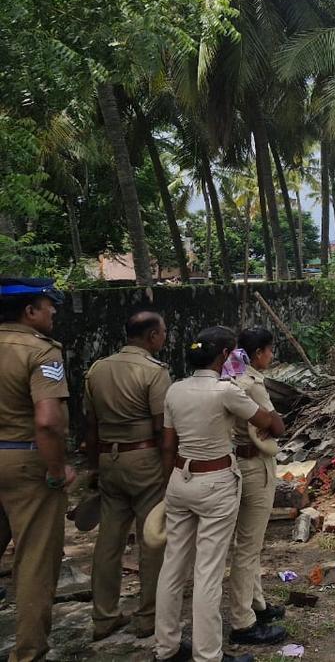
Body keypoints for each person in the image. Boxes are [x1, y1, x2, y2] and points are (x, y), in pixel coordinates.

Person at [154, 326, 283, 662]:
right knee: (208, 571)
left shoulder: (175, 390)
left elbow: (168, 445)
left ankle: (165, 648)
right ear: (227, 355)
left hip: (179, 480)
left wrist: (169, 487)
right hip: (216, 481)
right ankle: (208, 654)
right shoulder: (225, 391)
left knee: (173, 567)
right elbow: (270, 423)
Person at [85, 310, 171, 641]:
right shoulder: (153, 372)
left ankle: (103, 617)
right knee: (151, 538)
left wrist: (94, 467)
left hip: (109, 459)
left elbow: (90, 426)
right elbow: (163, 429)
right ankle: (148, 616)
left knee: (109, 539)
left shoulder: (98, 370)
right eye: (163, 332)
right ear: (151, 336)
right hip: (144, 457)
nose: (164, 337)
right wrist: (168, 473)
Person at [0, 277, 72, 662]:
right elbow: (48, 421)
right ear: (29, 311)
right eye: (48, 305)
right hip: (25, 461)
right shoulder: (42, 352)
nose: (54, 311)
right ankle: (28, 652)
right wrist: (57, 470)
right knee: (33, 562)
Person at [227, 327, 287, 647]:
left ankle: (257, 604)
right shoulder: (252, 384)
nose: (272, 356)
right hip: (255, 466)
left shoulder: (229, 378)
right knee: (248, 547)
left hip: (236, 464)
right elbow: (275, 424)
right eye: (270, 350)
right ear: (260, 353)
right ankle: (243, 620)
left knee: (248, 543)